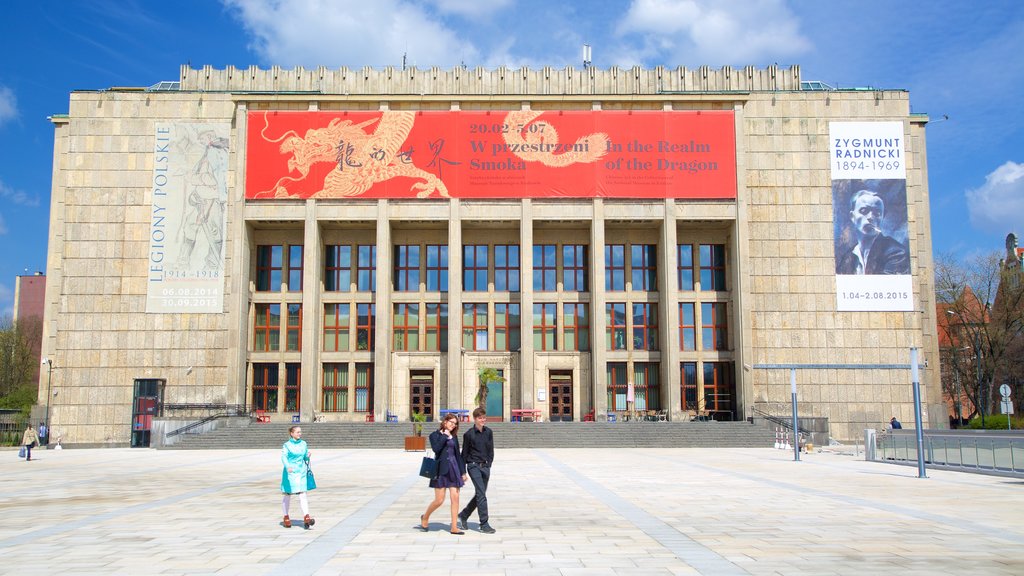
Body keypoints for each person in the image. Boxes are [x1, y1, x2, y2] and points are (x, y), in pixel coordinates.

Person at [836, 190, 910, 275]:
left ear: (882, 217)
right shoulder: (847, 258)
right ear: (852, 217)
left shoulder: (896, 253)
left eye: (877, 213)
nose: (871, 217)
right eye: (864, 211)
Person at [418, 413, 468, 535]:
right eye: (451, 422)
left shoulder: (454, 437)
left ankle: (454, 527)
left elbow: (458, 455)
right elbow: (436, 449)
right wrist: (445, 435)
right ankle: (425, 517)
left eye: (455, 423)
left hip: (454, 469)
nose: (453, 425)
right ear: (445, 422)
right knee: (439, 500)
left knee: (455, 498)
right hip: (441, 470)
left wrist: (463, 472)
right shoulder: (434, 435)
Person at [458, 407, 496, 534]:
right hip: (473, 466)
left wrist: (489, 463)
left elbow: (491, 450)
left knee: (481, 494)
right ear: (475, 419)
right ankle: (484, 524)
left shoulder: (489, 432)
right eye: (480, 418)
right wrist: (463, 472)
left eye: (484, 417)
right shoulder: (468, 434)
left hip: (485, 467)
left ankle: (464, 515)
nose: (483, 420)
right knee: (481, 495)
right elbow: (464, 454)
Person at [280, 425, 316, 529]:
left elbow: (304, 456)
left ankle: (306, 516)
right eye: (297, 432)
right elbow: (284, 457)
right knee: (287, 494)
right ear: (292, 433)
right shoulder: (287, 445)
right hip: (290, 472)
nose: (300, 434)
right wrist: (288, 466)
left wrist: (307, 456)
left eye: (300, 432)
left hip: (301, 471)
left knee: (302, 493)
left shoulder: (303, 443)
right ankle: (286, 516)